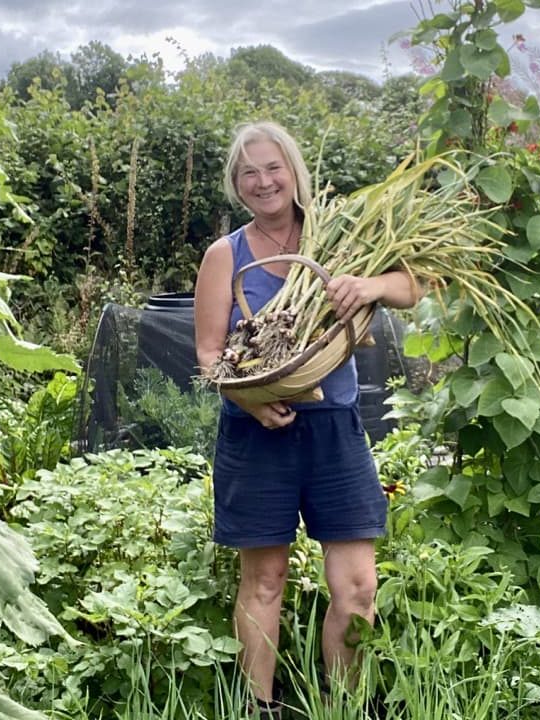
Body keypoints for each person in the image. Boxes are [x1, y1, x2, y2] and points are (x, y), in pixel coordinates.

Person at [193, 121, 423, 717]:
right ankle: (258, 708)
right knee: (265, 580)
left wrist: (365, 284)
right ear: (236, 184)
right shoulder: (226, 256)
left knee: (358, 588)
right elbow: (209, 354)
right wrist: (245, 397)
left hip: (334, 428)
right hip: (255, 430)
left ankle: (340, 707)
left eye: (273, 168)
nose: (263, 182)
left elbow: (413, 287)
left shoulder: (336, 238)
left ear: (294, 171)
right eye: (249, 172)